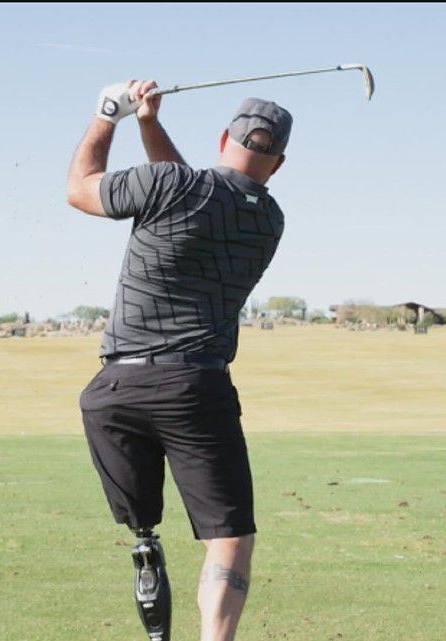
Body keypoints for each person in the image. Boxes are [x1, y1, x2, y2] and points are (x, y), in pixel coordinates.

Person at [66, 79, 291, 641]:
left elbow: (80, 189)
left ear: (223, 137)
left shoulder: (168, 185)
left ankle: (145, 542)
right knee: (229, 534)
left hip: (114, 392)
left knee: (144, 520)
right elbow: (199, 194)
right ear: (279, 163)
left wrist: (109, 117)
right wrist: (148, 126)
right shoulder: (268, 220)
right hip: (195, 390)